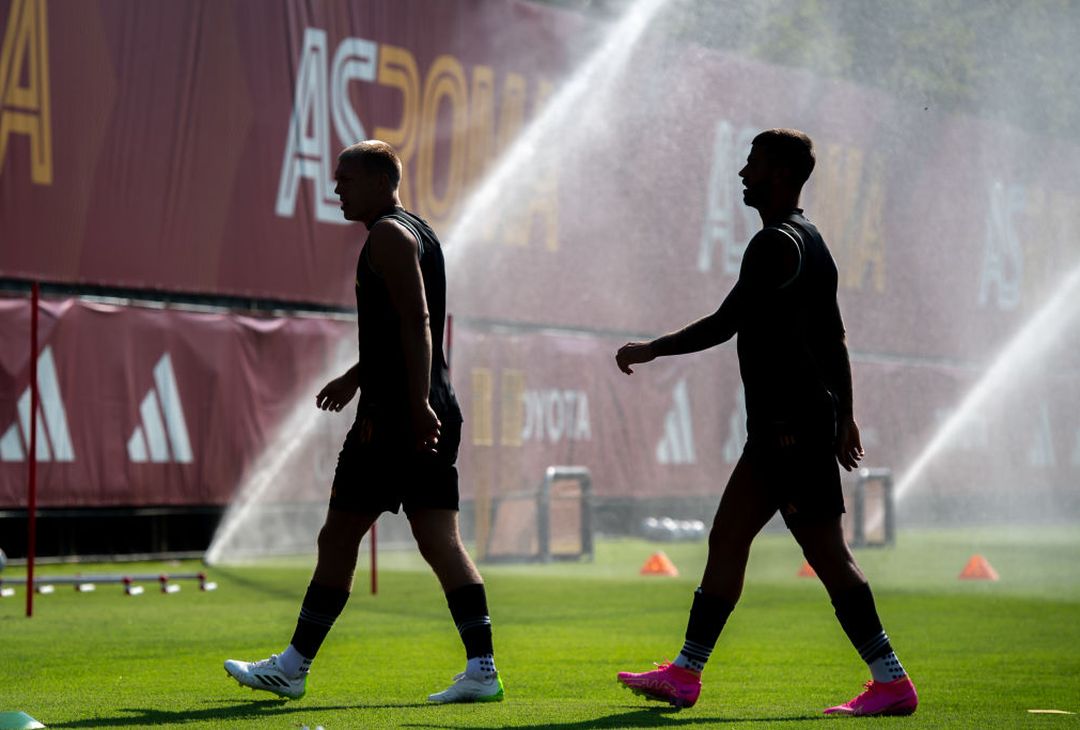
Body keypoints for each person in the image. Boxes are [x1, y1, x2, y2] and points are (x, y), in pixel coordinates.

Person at [614, 129, 917, 717]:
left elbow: (726, 322)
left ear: (779, 172)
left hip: (789, 426)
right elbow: (835, 338)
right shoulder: (813, 241)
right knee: (728, 538)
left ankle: (891, 681)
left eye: (752, 164)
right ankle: (685, 672)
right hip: (789, 424)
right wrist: (846, 414)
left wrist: (652, 350)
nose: (742, 174)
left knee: (827, 554)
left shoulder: (775, 243)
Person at [225, 140, 503, 704]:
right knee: (439, 542)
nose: (336, 190)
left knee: (340, 536)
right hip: (425, 406)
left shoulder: (388, 236)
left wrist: (414, 399)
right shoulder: (417, 230)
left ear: (380, 182)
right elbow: (398, 326)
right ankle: (482, 669)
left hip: (398, 416)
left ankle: (294, 666)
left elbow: (419, 320)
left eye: (345, 180)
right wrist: (359, 375)